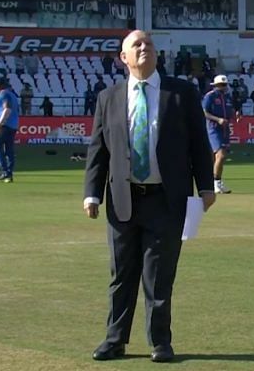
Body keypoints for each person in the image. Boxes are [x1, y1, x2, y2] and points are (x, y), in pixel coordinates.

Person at [83, 30, 215, 363]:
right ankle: (115, 340)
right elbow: (98, 150)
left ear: (157, 55)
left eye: (149, 44)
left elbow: (199, 142)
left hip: (166, 200)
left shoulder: (181, 93)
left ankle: (160, 342)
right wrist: (92, 194)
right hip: (122, 198)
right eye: (136, 45)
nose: (144, 48)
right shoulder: (108, 97)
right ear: (123, 58)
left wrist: (207, 186)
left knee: (159, 276)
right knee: (121, 275)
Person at [202, 74, 240, 194]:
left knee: (217, 158)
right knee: (221, 155)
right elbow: (204, 112)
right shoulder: (210, 96)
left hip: (225, 129)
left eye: (224, 85)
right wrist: (217, 119)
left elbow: (230, 110)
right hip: (213, 128)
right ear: (216, 85)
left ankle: (214, 182)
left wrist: (236, 114)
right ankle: (216, 183)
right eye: (221, 85)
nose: (223, 87)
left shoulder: (228, 97)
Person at [0, 76, 20, 183]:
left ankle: (5, 172)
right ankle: (9, 174)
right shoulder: (13, 94)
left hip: (5, 125)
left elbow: (7, 109)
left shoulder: (4, 94)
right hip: (13, 125)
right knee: (9, 150)